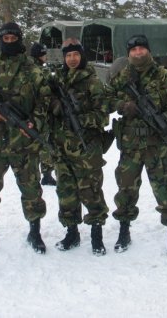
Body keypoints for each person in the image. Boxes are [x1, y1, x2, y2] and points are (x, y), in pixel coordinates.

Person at [0, 22, 51, 256]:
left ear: (20, 39)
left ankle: (34, 231)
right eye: (5, 39)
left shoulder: (32, 69)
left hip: (24, 142)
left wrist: (35, 122)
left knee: (32, 190)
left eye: (14, 38)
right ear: (0, 40)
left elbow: (45, 99)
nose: (10, 42)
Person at [109, 34, 167, 257]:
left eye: (142, 49)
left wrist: (162, 116)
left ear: (148, 51)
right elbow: (105, 99)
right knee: (126, 188)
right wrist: (122, 105)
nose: (138, 53)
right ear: (129, 53)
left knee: (164, 187)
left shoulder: (165, 76)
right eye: (133, 50)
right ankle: (124, 230)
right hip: (130, 144)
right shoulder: (121, 76)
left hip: (156, 144)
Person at [49, 39, 110, 255]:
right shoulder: (58, 82)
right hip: (62, 145)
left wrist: (82, 119)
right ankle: (71, 232)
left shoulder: (92, 82)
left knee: (91, 190)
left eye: (75, 55)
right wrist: (55, 107)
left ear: (81, 56)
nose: (72, 59)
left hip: (87, 147)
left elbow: (103, 115)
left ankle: (96, 234)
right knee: (66, 191)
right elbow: (47, 110)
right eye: (68, 56)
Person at [29, 41, 57, 186]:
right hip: (43, 113)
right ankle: (46, 174)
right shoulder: (41, 71)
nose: (46, 56)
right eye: (44, 54)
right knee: (45, 142)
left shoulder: (27, 68)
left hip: (31, 113)